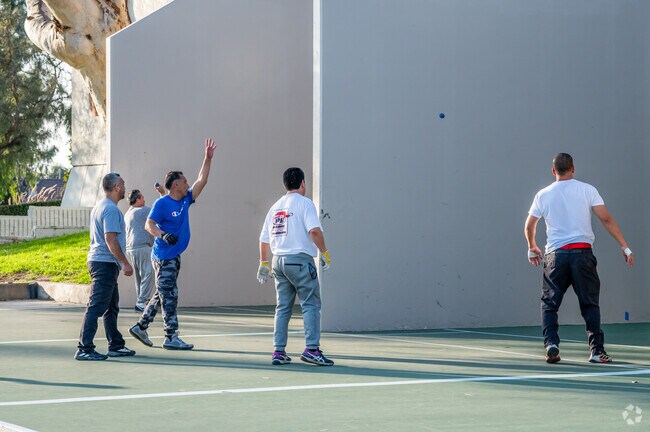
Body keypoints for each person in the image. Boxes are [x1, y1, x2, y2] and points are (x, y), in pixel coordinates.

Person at [524, 153, 634, 364]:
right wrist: (625, 246)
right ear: (573, 168)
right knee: (590, 304)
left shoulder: (543, 194)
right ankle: (596, 351)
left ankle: (551, 344)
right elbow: (606, 218)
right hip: (583, 255)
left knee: (549, 304)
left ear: (553, 171)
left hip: (555, 256)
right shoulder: (587, 190)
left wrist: (532, 247)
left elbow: (530, 225)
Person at [129, 137, 217, 350]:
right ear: (175, 184)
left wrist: (207, 158)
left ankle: (141, 327)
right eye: (184, 181)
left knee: (162, 293)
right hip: (163, 257)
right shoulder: (162, 203)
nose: (188, 183)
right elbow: (149, 224)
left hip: (174, 256)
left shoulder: (186, 198)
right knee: (170, 297)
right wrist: (162, 235)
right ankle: (171, 337)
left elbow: (201, 180)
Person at [257, 167, 334, 366]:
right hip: (300, 261)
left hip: (278, 262)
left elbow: (264, 240)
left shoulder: (275, 207)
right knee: (310, 304)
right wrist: (324, 252)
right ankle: (312, 349)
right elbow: (315, 231)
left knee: (282, 308)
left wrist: (264, 263)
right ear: (302, 183)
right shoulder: (305, 204)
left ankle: (279, 351)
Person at [75, 173, 136, 361]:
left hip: (103, 263)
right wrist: (124, 263)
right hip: (104, 263)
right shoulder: (110, 209)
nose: (125, 188)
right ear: (117, 187)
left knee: (111, 306)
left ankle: (116, 345)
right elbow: (110, 240)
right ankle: (84, 348)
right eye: (123, 184)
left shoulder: (101, 206)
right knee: (97, 306)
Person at [125, 188, 158, 312]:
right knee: (149, 273)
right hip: (142, 246)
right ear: (138, 199)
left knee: (139, 276)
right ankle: (141, 301)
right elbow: (157, 212)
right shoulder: (143, 211)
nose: (144, 199)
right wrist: (162, 194)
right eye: (142, 197)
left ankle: (141, 300)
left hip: (130, 248)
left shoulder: (128, 213)